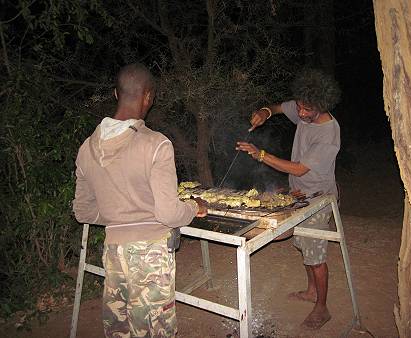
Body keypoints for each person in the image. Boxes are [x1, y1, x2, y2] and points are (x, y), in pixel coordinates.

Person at [73, 63, 207, 337]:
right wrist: (194, 207)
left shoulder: (86, 149)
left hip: (113, 254)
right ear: (149, 96)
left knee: (120, 330)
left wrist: (117, 216)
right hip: (151, 256)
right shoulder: (156, 144)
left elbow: (83, 212)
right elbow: (169, 213)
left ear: (115, 94)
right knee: (155, 331)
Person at [236, 68, 341, 330]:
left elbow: (299, 169)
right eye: (300, 108)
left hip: (319, 197)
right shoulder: (303, 106)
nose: (301, 114)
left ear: (321, 105)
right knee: (304, 245)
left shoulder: (329, 133)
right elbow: (279, 108)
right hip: (299, 193)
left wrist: (260, 155)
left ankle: (322, 307)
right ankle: (310, 292)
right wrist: (265, 112)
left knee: (315, 253)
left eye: (307, 110)